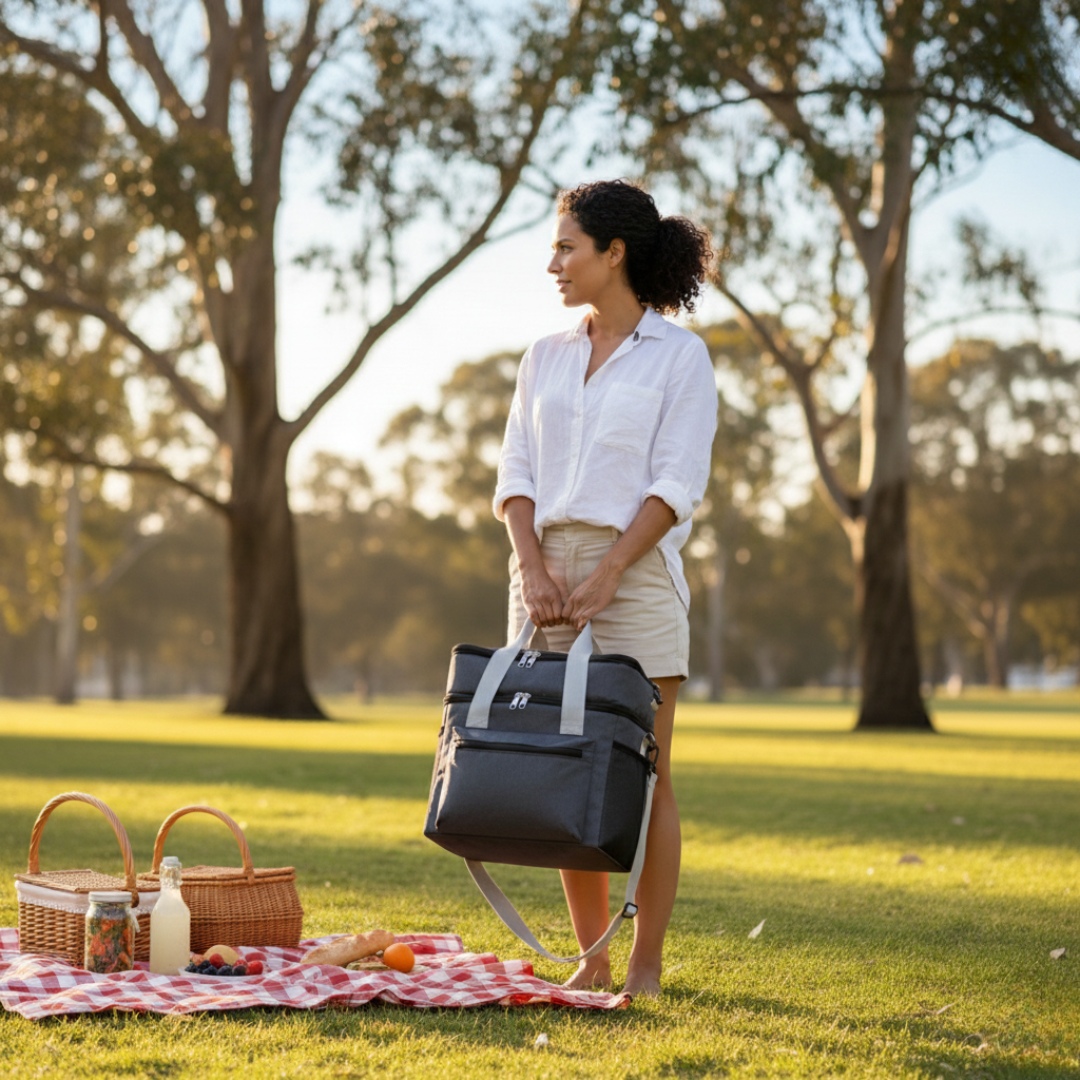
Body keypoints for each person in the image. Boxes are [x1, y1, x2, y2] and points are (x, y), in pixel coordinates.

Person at [493, 179, 718, 996]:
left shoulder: (680, 357)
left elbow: (675, 481)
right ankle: (592, 958)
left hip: (638, 572)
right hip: (544, 573)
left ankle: (646, 965)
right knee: (566, 767)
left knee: (647, 776)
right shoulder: (543, 356)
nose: (554, 263)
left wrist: (612, 569)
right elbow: (516, 471)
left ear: (613, 252)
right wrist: (532, 565)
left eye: (567, 247)